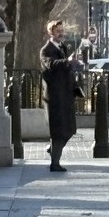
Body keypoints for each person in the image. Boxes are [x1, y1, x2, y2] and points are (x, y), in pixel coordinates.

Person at [40, 20, 79, 172]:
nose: (61, 34)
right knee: (58, 130)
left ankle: (53, 150)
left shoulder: (63, 47)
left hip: (66, 93)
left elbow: (66, 68)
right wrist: (67, 61)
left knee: (70, 129)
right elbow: (50, 64)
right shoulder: (46, 50)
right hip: (55, 96)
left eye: (62, 31)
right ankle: (55, 162)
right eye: (58, 31)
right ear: (51, 33)